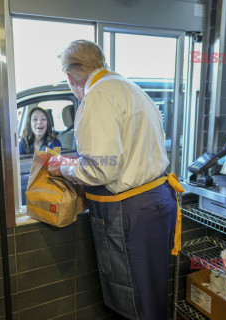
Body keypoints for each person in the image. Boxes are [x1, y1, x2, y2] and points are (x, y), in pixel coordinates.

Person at [48, 40, 183, 320]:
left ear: (70, 76)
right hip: (156, 199)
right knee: (152, 292)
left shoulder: (96, 95)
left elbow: (102, 171)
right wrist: (78, 164)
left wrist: (64, 169)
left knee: (132, 299)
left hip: (128, 211)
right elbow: (120, 156)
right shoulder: (130, 88)